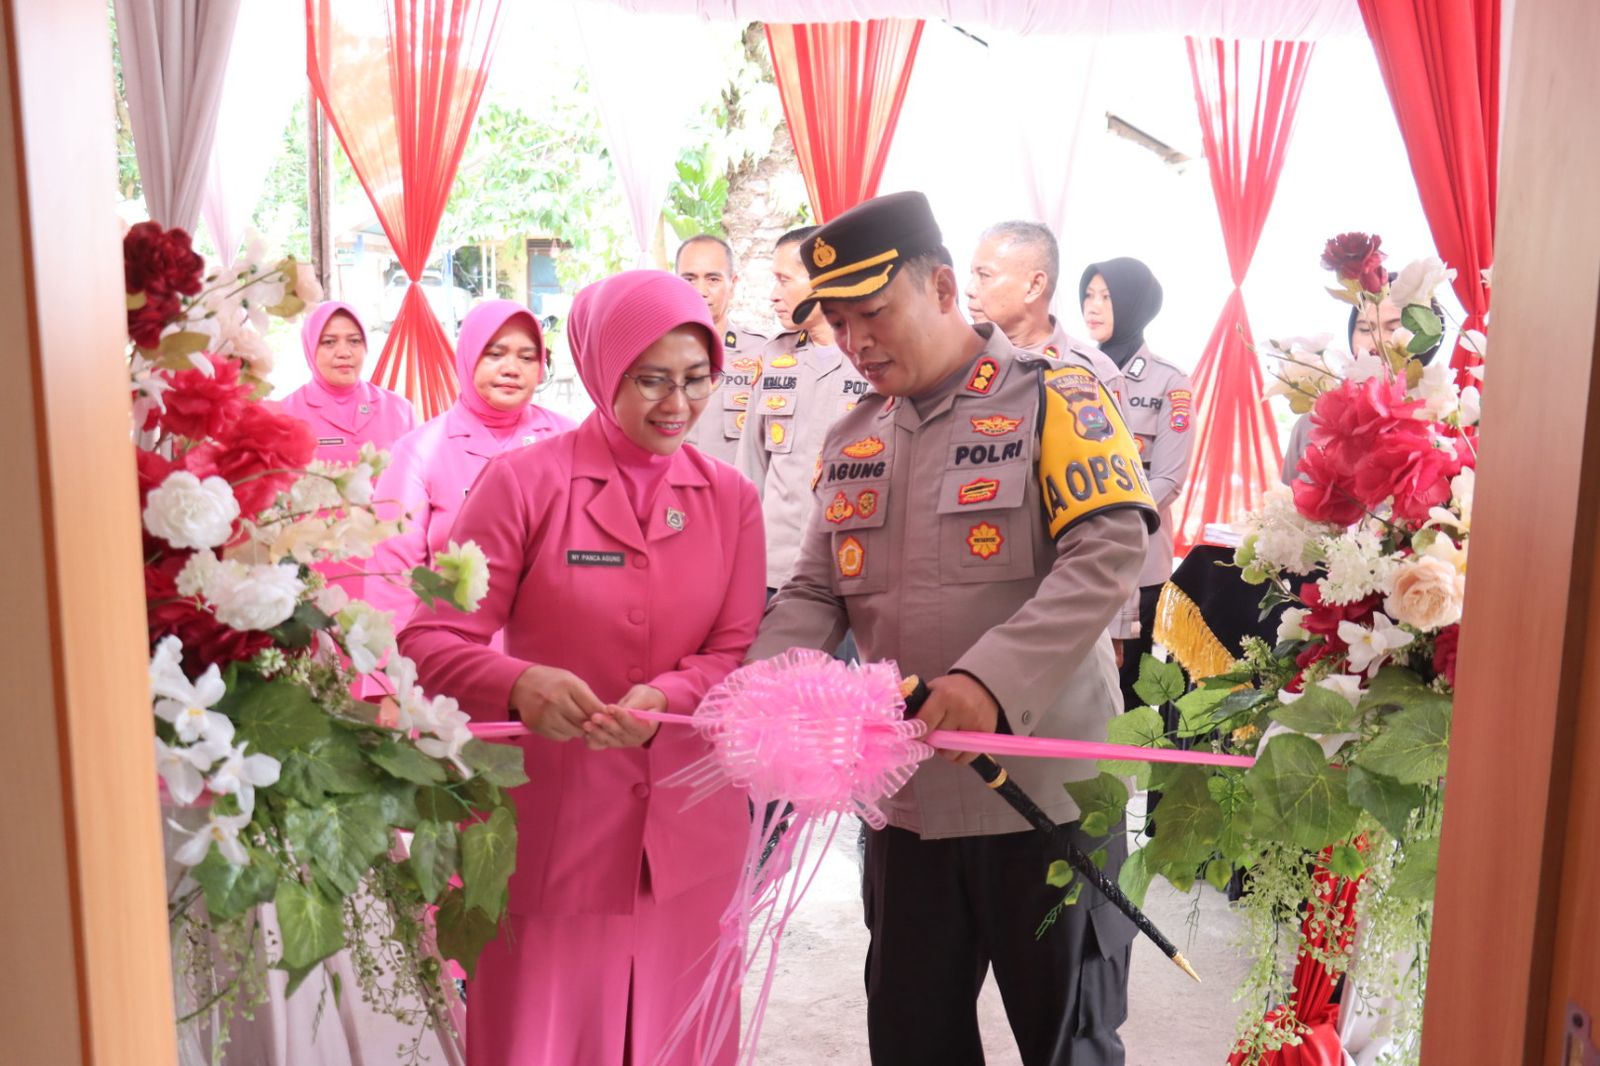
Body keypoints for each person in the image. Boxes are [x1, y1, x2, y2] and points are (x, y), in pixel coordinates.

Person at [747, 191, 1155, 1065]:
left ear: (939, 288)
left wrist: (989, 681)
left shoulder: (1054, 398)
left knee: (1070, 1040)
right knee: (912, 1037)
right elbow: (817, 593)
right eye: (841, 322)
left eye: (874, 314)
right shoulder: (856, 435)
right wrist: (755, 693)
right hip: (910, 813)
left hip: (1046, 801)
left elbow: (1109, 547)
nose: (856, 342)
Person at [397, 270, 766, 1066]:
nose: (677, 404)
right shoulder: (523, 484)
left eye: (696, 380)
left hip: (687, 842)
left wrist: (670, 693)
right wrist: (517, 683)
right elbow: (427, 637)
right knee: (546, 1038)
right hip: (554, 837)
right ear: (603, 371)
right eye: (652, 380)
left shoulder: (731, 499)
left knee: (681, 1041)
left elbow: (736, 651)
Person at [363, 300, 575, 634]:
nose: (511, 368)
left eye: (527, 357)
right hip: (457, 659)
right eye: (494, 354)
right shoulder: (420, 451)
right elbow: (392, 575)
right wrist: (391, 676)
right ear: (467, 356)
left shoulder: (569, 440)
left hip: (556, 658)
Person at [1080, 258, 1193, 709]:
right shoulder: (1071, 367)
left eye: (1107, 297)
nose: (1093, 306)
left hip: (1139, 565)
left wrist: (1105, 513)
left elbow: (1168, 477)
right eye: (1089, 294)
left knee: (1125, 695)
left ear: (1135, 304)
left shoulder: (1170, 382)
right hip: (1072, 556)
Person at [737, 226, 870, 594]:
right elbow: (751, 467)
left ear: (821, 282)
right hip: (774, 571)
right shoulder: (773, 357)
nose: (774, 296)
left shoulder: (873, 359)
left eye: (784, 280)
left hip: (852, 572)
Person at [1280, 278, 1442, 483]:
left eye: (1394, 329)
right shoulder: (1312, 424)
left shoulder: (1440, 420)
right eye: (1365, 329)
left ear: (1426, 340)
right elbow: (1287, 505)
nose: (1377, 340)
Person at [966, 220, 1128, 404]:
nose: (969, 289)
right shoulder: (957, 363)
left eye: (984, 276)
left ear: (1035, 286)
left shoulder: (1094, 373)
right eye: (971, 274)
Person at [279, 301, 416, 465]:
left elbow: (415, 479)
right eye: (329, 342)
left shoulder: (399, 410)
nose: (344, 353)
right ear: (310, 346)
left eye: (354, 341)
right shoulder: (284, 415)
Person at [678, 234, 768, 465]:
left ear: (733, 284)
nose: (700, 290)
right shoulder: (653, 354)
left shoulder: (763, 355)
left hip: (735, 495)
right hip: (670, 495)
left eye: (713, 279)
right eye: (689, 279)